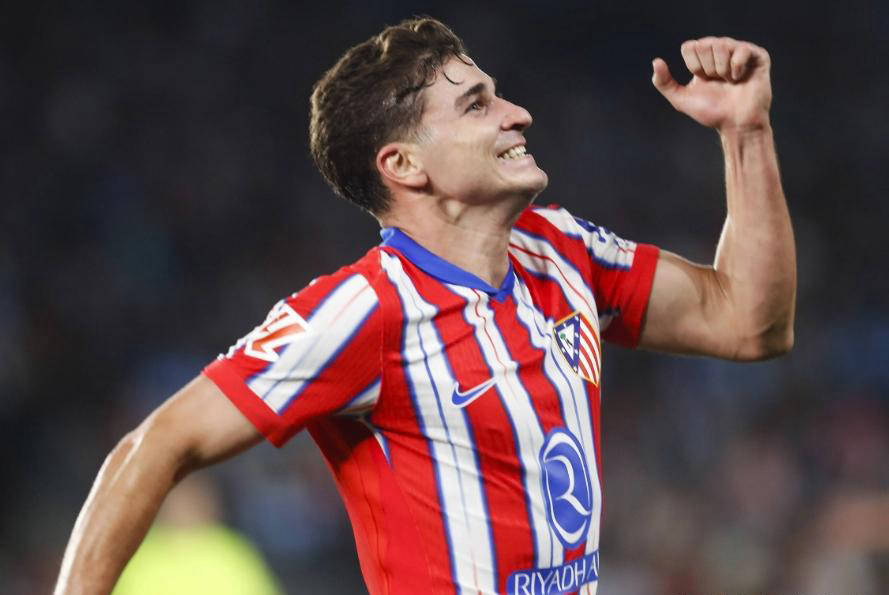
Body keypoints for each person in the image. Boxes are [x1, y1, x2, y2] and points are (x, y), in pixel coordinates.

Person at [54, 17, 795, 595]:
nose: (517, 114)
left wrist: (746, 133)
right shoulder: (364, 311)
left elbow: (749, 324)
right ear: (404, 164)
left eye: (497, 94)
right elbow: (152, 446)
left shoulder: (562, 249)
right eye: (477, 105)